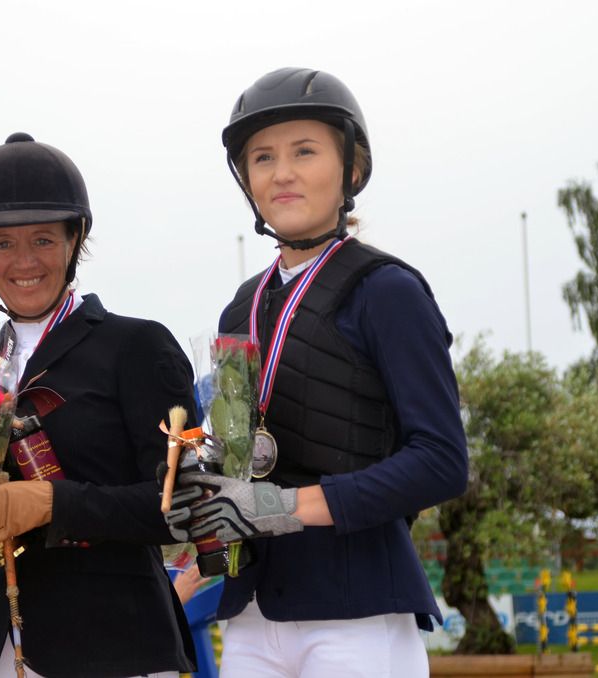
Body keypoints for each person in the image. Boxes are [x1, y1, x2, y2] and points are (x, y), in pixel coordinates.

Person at [166, 68, 469, 677]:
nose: (282, 172)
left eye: (304, 151)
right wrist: (194, 509)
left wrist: (286, 506)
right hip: (252, 616)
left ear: (350, 169)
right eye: (262, 157)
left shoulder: (387, 291)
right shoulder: (241, 306)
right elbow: (237, 468)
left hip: (356, 614)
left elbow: (441, 460)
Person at [0, 132, 197, 678]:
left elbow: (187, 503)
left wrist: (52, 503)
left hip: (111, 640)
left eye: (42, 239)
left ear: (73, 240)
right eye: (2, 244)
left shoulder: (137, 346)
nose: (23, 261)